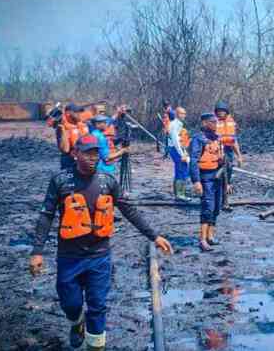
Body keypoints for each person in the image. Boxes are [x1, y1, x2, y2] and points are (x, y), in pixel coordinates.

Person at [29, 134, 173, 351]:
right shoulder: (60, 180)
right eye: (87, 153)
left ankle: (96, 347)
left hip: (99, 256)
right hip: (69, 257)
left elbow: (129, 210)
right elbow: (46, 214)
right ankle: (76, 322)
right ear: (75, 153)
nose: (92, 158)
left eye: (95, 153)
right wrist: (37, 251)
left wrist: (154, 236)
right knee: (71, 304)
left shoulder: (108, 181)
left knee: (97, 307)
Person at [189, 113, 225, 252]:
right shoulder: (198, 139)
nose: (215, 125)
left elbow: (221, 158)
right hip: (205, 177)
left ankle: (211, 236)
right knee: (207, 207)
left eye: (216, 122)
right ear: (204, 123)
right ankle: (202, 240)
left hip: (217, 176)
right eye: (212, 122)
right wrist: (196, 181)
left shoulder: (217, 139)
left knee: (216, 206)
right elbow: (193, 161)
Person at [214, 101, 244, 210]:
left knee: (228, 171)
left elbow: (233, 141)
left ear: (226, 112)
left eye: (222, 111)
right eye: (218, 111)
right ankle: (218, 198)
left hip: (228, 150)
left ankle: (225, 198)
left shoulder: (231, 122)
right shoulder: (213, 122)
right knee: (218, 174)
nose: (220, 113)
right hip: (216, 150)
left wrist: (239, 156)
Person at [57, 103, 90, 170]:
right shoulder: (62, 128)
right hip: (70, 161)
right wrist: (63, 131)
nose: (80, 114)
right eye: (77, 112)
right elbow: (65, 150)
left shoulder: (83, 125)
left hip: (83, 160)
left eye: (80, 112)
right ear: (68, 113)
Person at [168, 107, 191, 201]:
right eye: (182, 113)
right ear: (177, 114)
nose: (184, 115)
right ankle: (180, 194)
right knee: (182, 169)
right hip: (175, 149)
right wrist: (182, 154)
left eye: (184, 113)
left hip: (179, 148)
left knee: (181, 169)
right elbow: (175, 141)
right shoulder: (174, 125)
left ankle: (178, 193)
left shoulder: (179, 124)